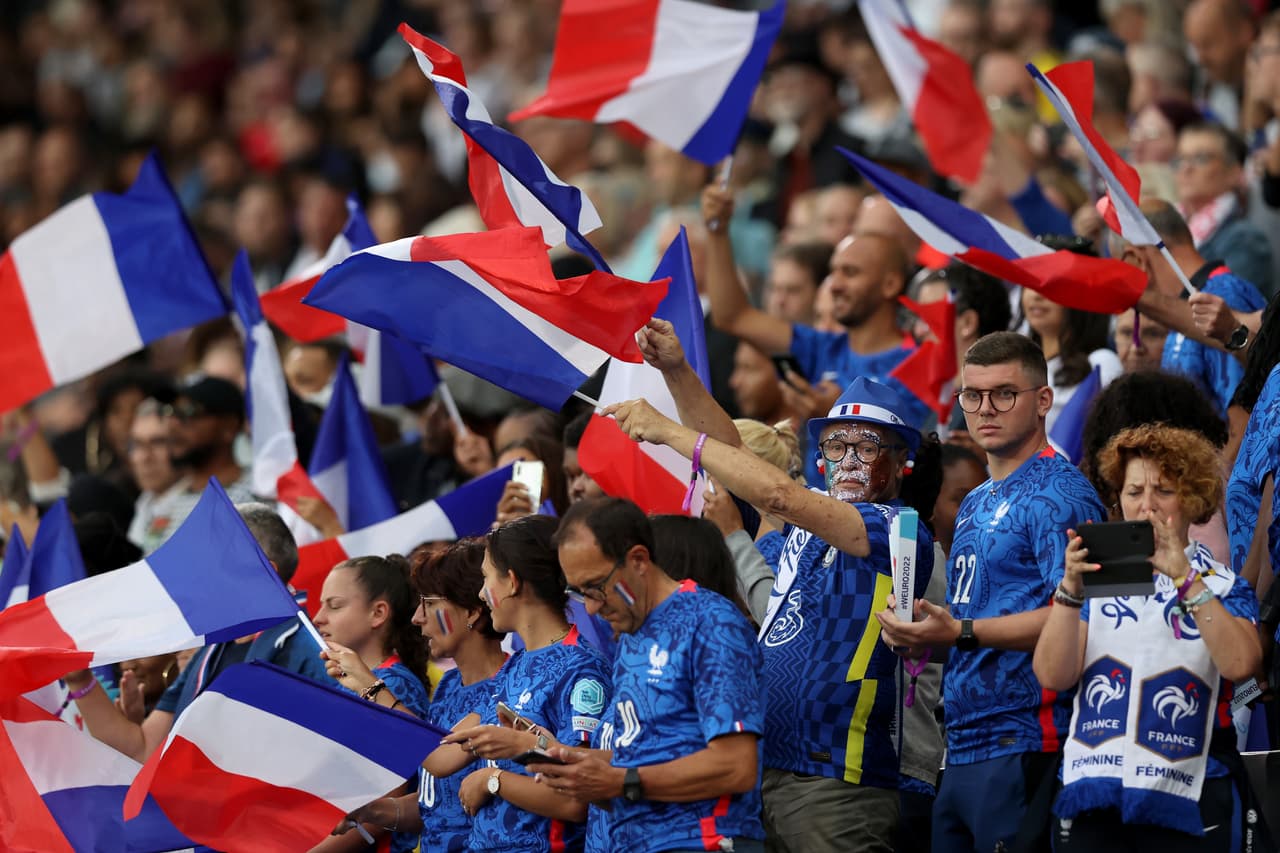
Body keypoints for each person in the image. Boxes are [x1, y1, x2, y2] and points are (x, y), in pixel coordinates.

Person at [601, 319, 940, 852]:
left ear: (902, 463)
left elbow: (779, 495)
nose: (848, 462)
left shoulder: (898, 529)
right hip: (767, 774)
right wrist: (677, 372)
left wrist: (667, 431)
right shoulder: (802, 528)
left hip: (837, 782)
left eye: (867, 447)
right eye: (835, 447)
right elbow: (734, 452)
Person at [876, 331, 1107, 853]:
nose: (985, 408)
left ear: (1043, 400)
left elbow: (1082, 616)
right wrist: (925, 636)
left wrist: (959, 630)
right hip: (961, 742)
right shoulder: (976, 499)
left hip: (1026, 737)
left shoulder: (1063, 493)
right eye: (972, 395)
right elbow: (972, 628)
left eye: (1004, 394)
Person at [1033, 424, 1261, 851]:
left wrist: (1185, 578)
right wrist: (1068, 590)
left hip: (1189, 795)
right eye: (1134, 491)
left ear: (1193, 500)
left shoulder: (1224, 584)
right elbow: (1052, 675)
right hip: (1095, 790)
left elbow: (1242, 665)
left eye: (1164, 491)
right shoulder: (1094, 582)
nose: (1147, 505)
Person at [536, 497, 765, 853]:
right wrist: (576, 766)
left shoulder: (710, 621)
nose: (591, 607)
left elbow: (736, 766)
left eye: (596, 586)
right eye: (579, 593)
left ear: (639, 560)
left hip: (704, 841)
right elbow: (647, 757)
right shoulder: (631, 634)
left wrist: (621, 781)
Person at [64, 503, 329, 762]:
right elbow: (143, 749)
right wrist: (80, 680)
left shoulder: (308, 649)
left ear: (262, 571)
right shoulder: (212, 648)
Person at [433, 515, 611, 853]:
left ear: (512, 582)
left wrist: (493, 780)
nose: (481, 594)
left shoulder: (582, 669)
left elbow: (576, 800)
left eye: (486, 578)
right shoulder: (515, 665)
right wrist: (369, 690)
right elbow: (441, 754)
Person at [339, 539, 508, 853]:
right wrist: (371, 812)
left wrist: (372, 687)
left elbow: (439, 758)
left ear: (472, 611)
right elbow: (437, 804)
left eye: (429, 603)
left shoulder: (509, 684)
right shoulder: (450, 684)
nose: (417, 617)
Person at [1120, 198, 1267, 413]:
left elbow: (1244, 418)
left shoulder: (1223, 297)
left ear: (1135, 259)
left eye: (1123, 269)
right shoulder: (1192, 308)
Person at [315, 555, 432, 719]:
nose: (318, 618)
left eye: (335, 606)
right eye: (322, 605)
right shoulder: (345, 679)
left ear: (378, 613)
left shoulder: (394, 684)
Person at [1021, 288, 1122, 436]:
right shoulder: (1018, 364)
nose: (1036, 295)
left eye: (1052, 286)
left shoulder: (1100, 362)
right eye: (1030, 285)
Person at [124, 398, 185, 554]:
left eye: (158, 442)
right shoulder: (144, 502)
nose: (144, 457)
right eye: (137, 444)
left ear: (181, 446)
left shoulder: (199, 506)